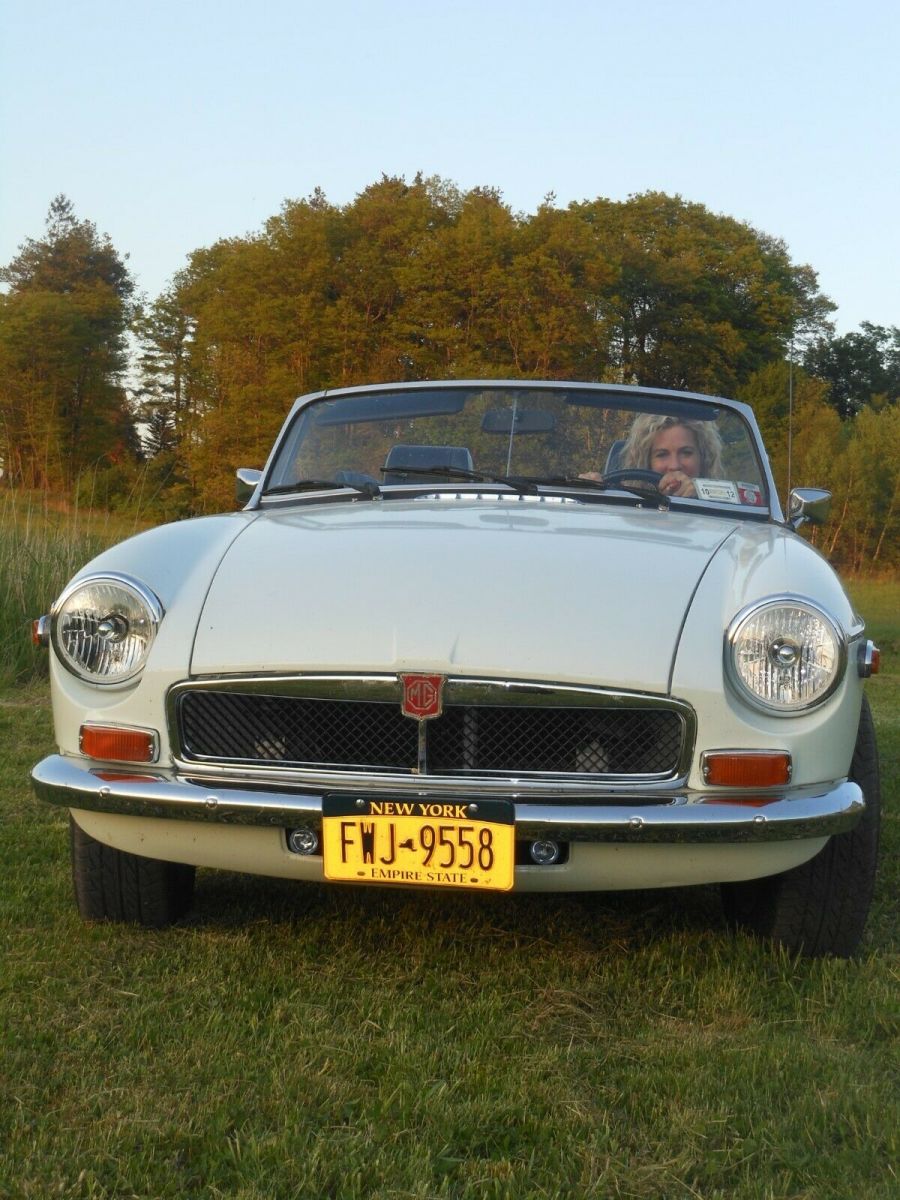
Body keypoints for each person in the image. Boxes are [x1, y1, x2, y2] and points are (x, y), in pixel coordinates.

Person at [619, 414, 724, 498]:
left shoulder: (723, 507)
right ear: (646, 462)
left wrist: (700, 493)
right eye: (662, 454)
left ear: (703, 457)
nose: (674, 466)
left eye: (686, 453)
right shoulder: (624, 502)